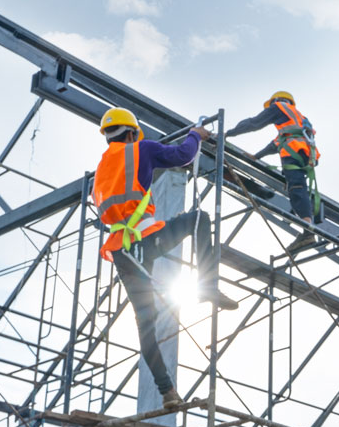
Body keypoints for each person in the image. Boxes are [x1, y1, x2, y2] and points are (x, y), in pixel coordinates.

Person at [92, 107, 239, 409]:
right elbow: (182, 157)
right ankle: (207, 285)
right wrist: (195, 136)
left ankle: (168, 393)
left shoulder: (103, 167)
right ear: (132, 132)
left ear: (107, 136)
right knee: (199, 219)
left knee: (145, 323)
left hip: (122, 249)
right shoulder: (141, 149)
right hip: (145, 236)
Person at [227, 91, 322, 252]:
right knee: (297, 186)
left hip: (294, 152)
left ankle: (307, 230)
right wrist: (256, 156)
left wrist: (228, 133)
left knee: (296, 188)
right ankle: (307, 228)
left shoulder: (278, 107)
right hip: (304, 154)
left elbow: (254, 123)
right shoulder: (297, 120)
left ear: (277, 101)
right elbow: (276, 144)